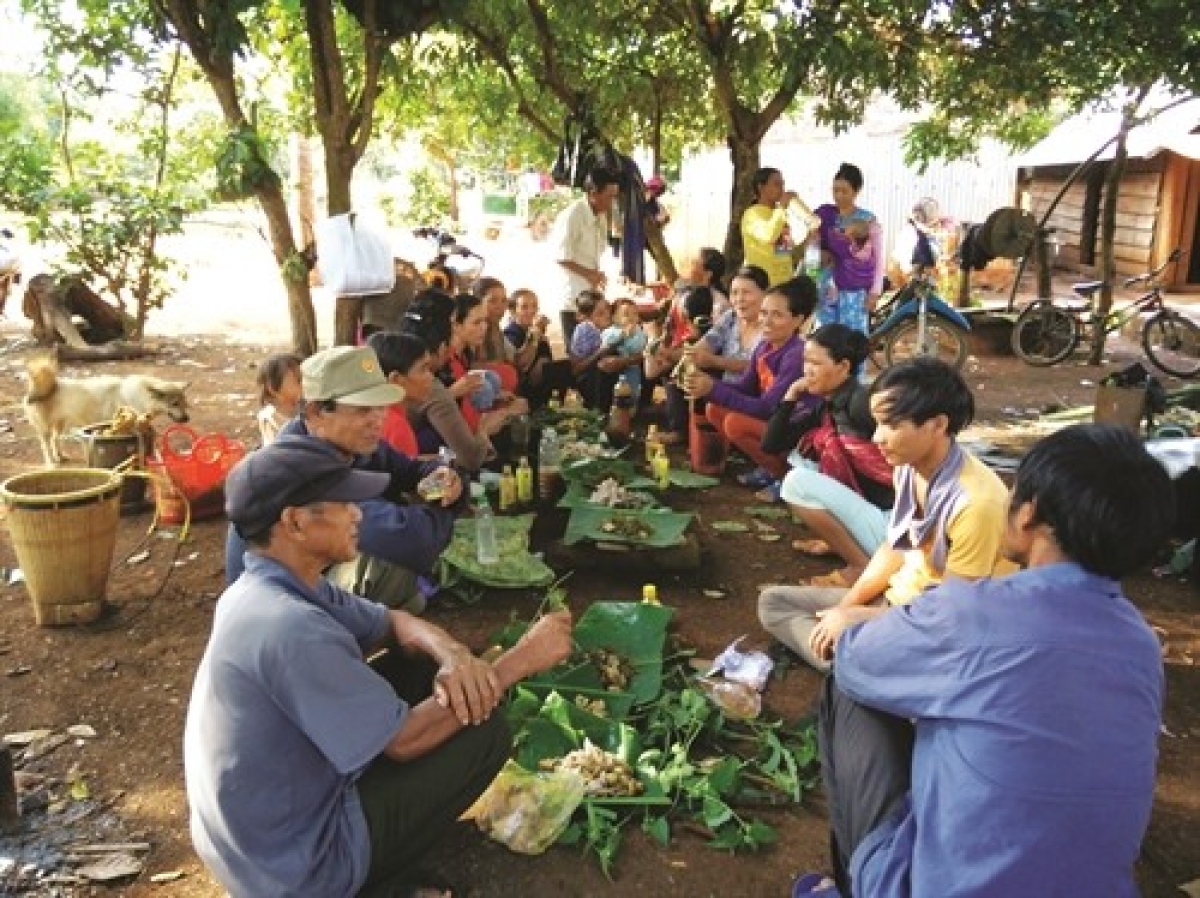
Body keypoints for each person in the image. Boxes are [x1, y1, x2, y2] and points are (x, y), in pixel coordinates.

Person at [794, 424, 1174, 898]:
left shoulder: (973, 610)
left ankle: (855, 884)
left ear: (1028, 514)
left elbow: (857, 661)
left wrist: (858, 620)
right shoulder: (1140, 642)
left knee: (848, 684)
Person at [187, 436, 572, 898]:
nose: (358, 514)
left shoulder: (273, 585)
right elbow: (406, 743)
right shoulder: (289, 627)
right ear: (294, 522)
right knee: (484, 732)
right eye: (344, 504)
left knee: (419, 669)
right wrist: (521, 660)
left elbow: (395, 622)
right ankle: (366, 884)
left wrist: (452, 655)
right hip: (294, 869)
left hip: (256, 838)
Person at [758, 357, 1015, 673]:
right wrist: (846, 607)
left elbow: (951, 612)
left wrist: (859, 618)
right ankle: (853, 664)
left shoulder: (976, 504)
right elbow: (894, 548)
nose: (877, 437)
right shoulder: (907, 468)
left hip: (943, 627)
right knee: (773, 603)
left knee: (848, 643)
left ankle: (860, 670)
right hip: (897, 600)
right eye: (877, 423)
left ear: (938, 425)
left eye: (891, 425)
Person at [224, 345, 463, 615]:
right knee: (387, 565)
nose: (379, 419)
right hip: (278, 611)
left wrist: (440, 477)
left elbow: (410, 471)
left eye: (381, 406)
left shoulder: (344, 441)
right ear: (316, 413)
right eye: (363, 410)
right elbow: (415, 538)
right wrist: (449, 504)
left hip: (295, 592)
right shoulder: (305, 471)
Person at [760, 324, 894, 585]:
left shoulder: (861, 403)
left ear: (843, 367)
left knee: (797, 482)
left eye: (815, 363)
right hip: (874, 515)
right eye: (805, 362)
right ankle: (843, 545)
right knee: (803, 460)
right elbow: (771, 443)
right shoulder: (828, 406)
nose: (806, 371)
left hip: (894, 530)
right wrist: (791, 395)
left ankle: (860, 566)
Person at [685, 276, 816, 487]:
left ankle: (785, 477)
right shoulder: (765, 347)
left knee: (734, 423)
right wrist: (708, 386)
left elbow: (766, 408)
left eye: (777, 315)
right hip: (774, 423)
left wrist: (713, 387)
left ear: (798, 320)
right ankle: (769, 466)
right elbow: (746, 388)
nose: (766, 320)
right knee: (713, 409)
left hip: (794, 429)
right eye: (764, 313)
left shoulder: (795, 354)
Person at [399, 296, 514, 473]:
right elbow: (471, 459)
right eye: (453, 323)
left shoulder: (397, 360)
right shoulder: (431, 384)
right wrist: (484, 430)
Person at [811, 163, 885, 335]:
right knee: (826, 338)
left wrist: (875, 292)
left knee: (853, 338)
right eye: (835, 190)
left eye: (844, 191)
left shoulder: (867, 220)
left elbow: (879, 258)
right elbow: (811, 251)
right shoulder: (824, 216)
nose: (838, 196)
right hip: (826, 288)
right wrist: (813, 275)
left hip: (854, 291)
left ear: (857, 190)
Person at [553, 167, 620, 345]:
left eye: (614, 196)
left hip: (592, 298)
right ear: (593, 193)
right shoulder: (573, 215)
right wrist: (589, 274)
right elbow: (561, 256)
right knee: (578, 356)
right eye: (609, 196)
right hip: (573, 300)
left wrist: (596, 275)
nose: (612, 202)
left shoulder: (601, 215)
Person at [367, 331, 435, 459]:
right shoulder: (397, 428)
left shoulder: (373, 416)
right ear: (396, 379)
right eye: (423, 369)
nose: (431, 377)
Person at [502, 287, 573, 408]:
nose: (531, 311)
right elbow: (522, 365)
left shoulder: (531, 331)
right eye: (524, 307)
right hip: (523, 392)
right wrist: (536, 334)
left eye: (534, 306)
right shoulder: (512, 333)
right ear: (513, 311)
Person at [741, 167, 800, 286]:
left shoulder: (779, 215)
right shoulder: (752, 214)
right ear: (761, 187)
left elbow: (785, 252)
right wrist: (782, 207)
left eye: (782, 184)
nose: (782, 190)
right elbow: (768, 236)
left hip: (784, 284)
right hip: (763, 285)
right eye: (776, 184)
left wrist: (809, 239)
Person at [568, 289, 616, 409]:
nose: (607, 315)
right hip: (590, 380)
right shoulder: (584, 331)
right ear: (587, 317)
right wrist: (600, 352)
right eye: (600, 313)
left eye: (607, 309)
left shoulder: (611, 328)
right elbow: (576, 369)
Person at [472, 277, 520, 395]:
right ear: (479, 302)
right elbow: (468, 368)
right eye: (493, 301)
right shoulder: (473, 332)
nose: (500, 307)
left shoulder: (496, 329)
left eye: (504, 301)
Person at [601, 297, 648, 405]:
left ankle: (632, 406)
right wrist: (622, 334)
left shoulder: (638, 331)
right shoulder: (611, 330)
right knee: (618, 391)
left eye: (635, 314)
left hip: (633, 368)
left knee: (634, 389)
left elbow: (640, 346)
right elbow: (607, 341)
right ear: (614, 318)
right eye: (626, 314)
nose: (631, 317)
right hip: (615, 367)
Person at [254, 353, 302, 445]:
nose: (305, 385)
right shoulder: (269, 418)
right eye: (299, 381)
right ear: (273, 388)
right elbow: (276, 450)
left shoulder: (306, 407)